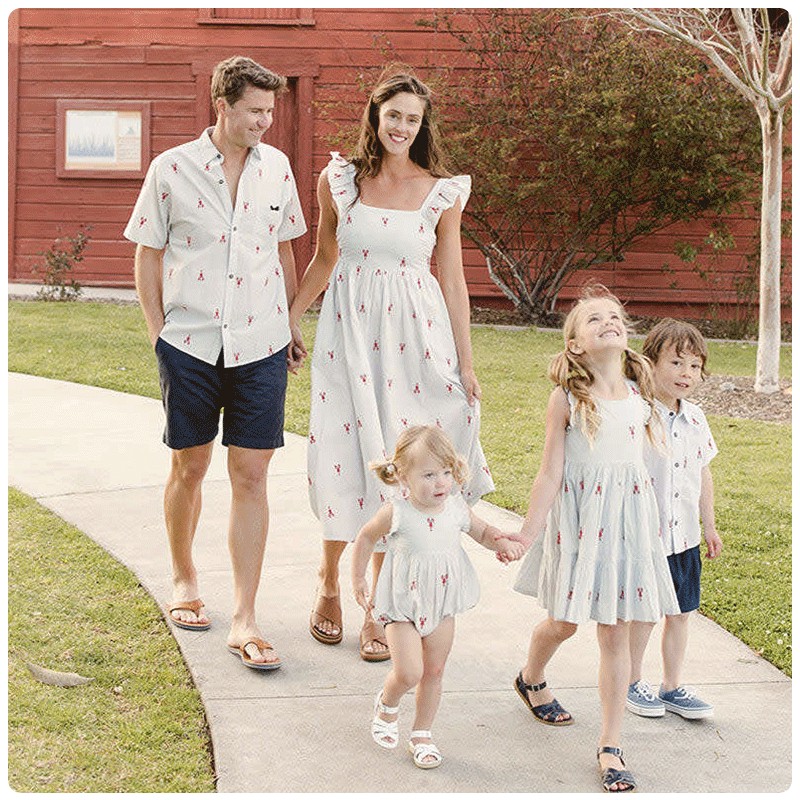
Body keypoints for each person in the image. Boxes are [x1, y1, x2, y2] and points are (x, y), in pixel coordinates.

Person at [289, 68, 495, 662]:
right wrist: (291, 320)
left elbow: (452, 280)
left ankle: (377, 603)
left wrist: (467, 362)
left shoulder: (442, 191)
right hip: (348, 333)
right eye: (394, 115)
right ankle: (331, 581)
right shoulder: (341, 182)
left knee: (397, 463)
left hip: (416, 337)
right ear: (375, 116)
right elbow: (325, 256)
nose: (403, 126)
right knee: (340, 452)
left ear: (422, 124)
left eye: (414, 118)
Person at [123, 55, 307, 670]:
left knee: (252, 475)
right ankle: (182, 578)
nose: (264, 121)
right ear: (221, 106)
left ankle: (246, 615)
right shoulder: (170, 169)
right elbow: (147, 257)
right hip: (191, 343)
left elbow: (283, 251)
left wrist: (289, 321)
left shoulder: (277, 168)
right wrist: (159, 335)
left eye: (269, 111)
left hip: (261, 344)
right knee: (190, 465)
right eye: (254, 110)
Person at [504, 285, 680, 793]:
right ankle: (531, 676)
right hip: (582, 524)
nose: (608, 321)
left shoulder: (642, 397)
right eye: (594, 318)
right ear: (576, 345)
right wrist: (527, 532)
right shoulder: (566, 398)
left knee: (616, 632)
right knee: (563, 623)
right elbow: (549, 473)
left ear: (626, 337)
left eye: (615, 316)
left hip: (628, 524)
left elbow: (650, 468)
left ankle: (610, 745)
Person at [351, 425, 524, 768]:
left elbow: (482, 531)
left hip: (442, 604)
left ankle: (421, 735)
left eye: (446, 472)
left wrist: (501, 543)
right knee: (409, 672)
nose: (441, 482)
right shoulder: (397, 511)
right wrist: (358, 577)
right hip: (402, 607)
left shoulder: (456, 507)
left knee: (435, 670)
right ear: (403, 476)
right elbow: (366, 537)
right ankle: (387, 703)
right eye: (429, 474)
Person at [626, 319, 721, 719]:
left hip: (685, 538)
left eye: (694, 366)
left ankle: (671, 686)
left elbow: (703, 471)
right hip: (648, 537)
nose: (686, 374)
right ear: (651, 363)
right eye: (677, 362)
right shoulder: (636, 412)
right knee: (645, 615)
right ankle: (631, 682)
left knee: (681, 613)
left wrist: (710, 527)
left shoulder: (696, 417)